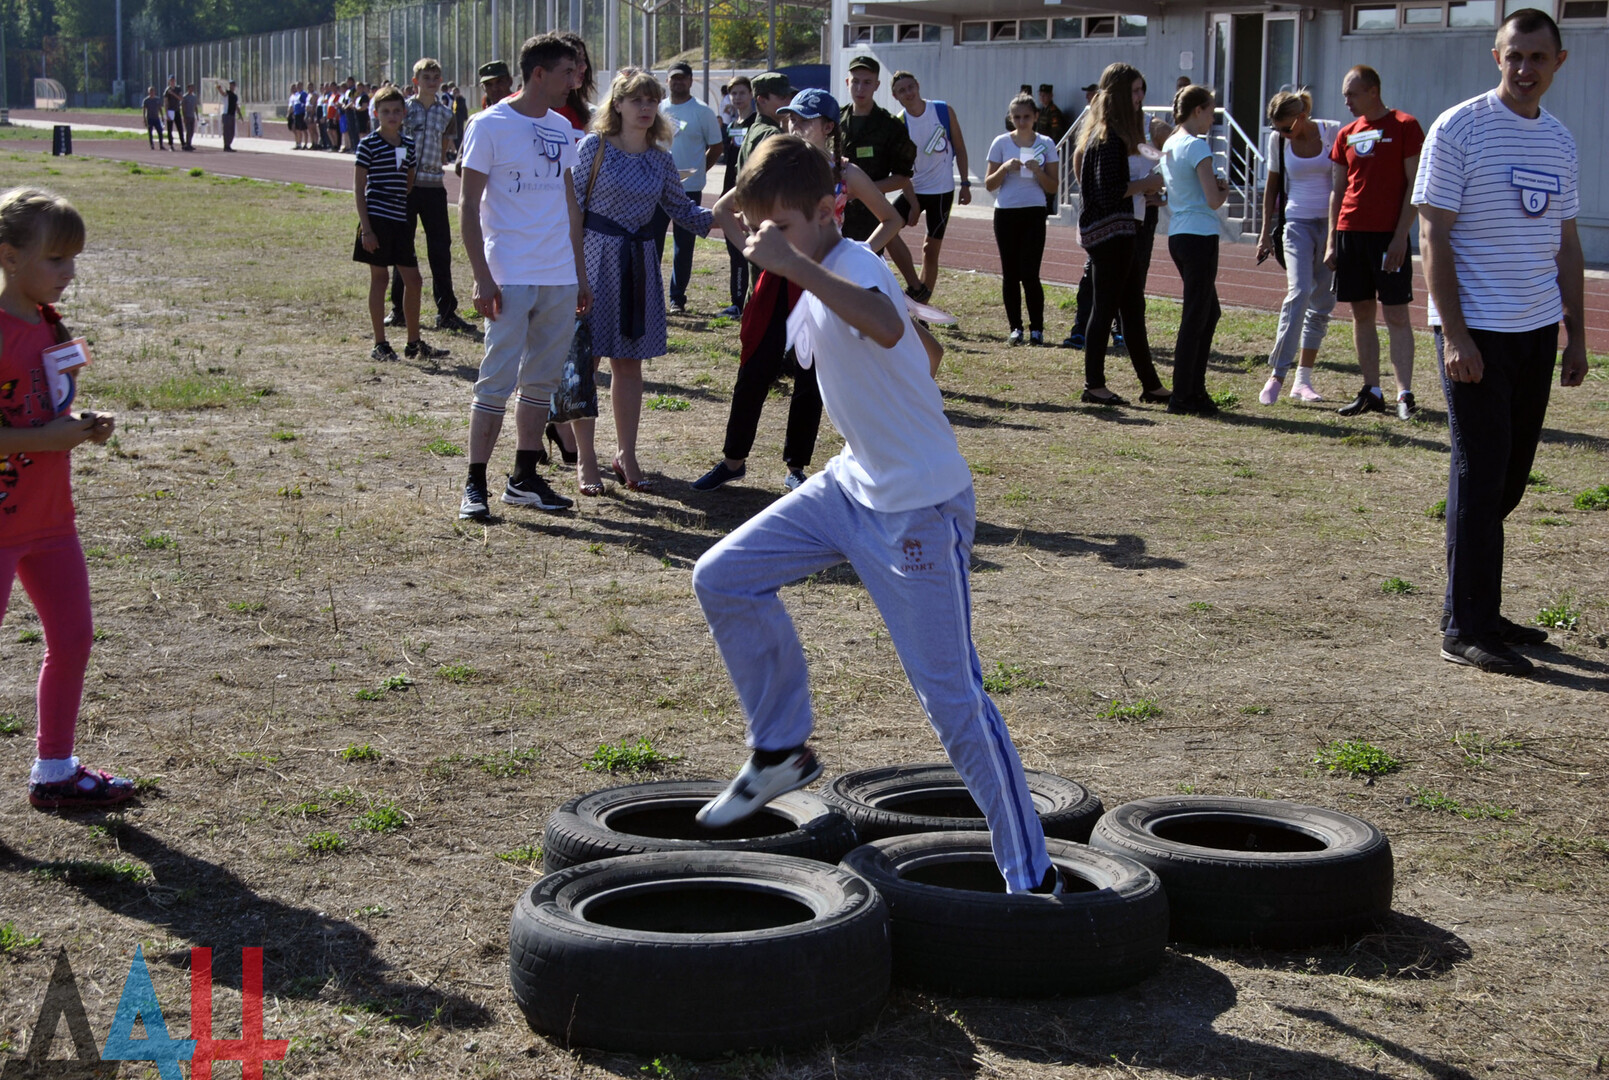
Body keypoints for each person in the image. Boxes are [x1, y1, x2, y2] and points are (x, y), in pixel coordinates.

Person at [690, 136, 1059, 898]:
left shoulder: (851, 268)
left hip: (917, 508)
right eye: (766, 232)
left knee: (952, 701)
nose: (767, 245)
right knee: (722, 577)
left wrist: (806, 262)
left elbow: (886, 327)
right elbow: (922, 354)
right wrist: (771, 198)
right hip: (848, 488)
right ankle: (782, 750)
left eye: (783, 229)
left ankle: (1033, 879)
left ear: (827, 213)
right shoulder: (806, 251)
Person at [1415, 8, 1585, 676]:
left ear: (1556, 64)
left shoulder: (1560, 142)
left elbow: (1566, 244)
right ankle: (1464, 628)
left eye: (1536, 58)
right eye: (1512, 56)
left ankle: (1480, 606)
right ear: (1495, 57)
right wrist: (1454, 335)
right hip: (1475, 331)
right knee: (1478, 473)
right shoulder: (1459, 127)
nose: (1523, 70)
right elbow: (1432, 234)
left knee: (1506, 479)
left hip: (1535, 330)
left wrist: (1576, 334)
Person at [691, 87, 905, 496]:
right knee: (755, 366)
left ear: (828, 126)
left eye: (804, 119)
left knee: (811, 376)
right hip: (776, 283)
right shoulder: (777, 165)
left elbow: (891, 219)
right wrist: (756, 253)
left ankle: (796, 466)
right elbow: (722, 210)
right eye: (789, 118)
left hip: (821, 280)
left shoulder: (844, 173)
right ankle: (733, 460)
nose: (793, 125)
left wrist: (857, 254)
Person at [0, 187, 126, 810]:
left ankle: (54, 770)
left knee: (73, 638)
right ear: (9, 258)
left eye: (73, 259)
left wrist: (81, 424)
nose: (68, 273)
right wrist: (46, 436)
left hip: (50, 520)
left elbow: (48, 407)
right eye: (56, 260)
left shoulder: (51, 325)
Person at [457, 33, 592, 522]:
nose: (574, 82)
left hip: (558, 276)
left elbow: (570, 206)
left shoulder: (562, 126)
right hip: (509, 275)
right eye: (567, 73)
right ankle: (475, 484)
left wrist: (579, 274)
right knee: (494, 382)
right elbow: (469, 205)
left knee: (541, 384)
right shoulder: (488, 125)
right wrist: (482, 276)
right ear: (539, 74)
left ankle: (523, 478)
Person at [570, 68, 713, 496]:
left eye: (652, 100)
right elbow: (572, 211)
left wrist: (733, 210)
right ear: (617, 105)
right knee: (586, 362)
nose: (647, 108)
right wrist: (575, 274)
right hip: (594, 261)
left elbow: (685, 213)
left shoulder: (661, 159)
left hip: (639, 263)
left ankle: (626, 453)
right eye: (637, 100)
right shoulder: (593, 148)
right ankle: (586, 458)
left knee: (629, 365)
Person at [1326, 65, 1423, 420]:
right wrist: (1331, 241)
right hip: (1350, 233)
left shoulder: (1405, 126)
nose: (1346, 101)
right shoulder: (1346, 133)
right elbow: (1338, 191)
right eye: (1344, 96)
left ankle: (1404, 395)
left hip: (1388, 236)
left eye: (1351, 94)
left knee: (1396, 314)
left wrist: (1400, 237)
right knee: (1361, 313)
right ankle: (1372, 390)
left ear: (1373, 91)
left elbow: (1415, 185)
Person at [1075, 63, 1169, 406]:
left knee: (1132, 308)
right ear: (1116, 93)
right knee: (1105, 309)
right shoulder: (1108, 136)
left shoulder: (1116, 134)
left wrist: (1148, 191)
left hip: (1123, 231)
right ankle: (1094, 385)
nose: (1140, 98)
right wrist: (1148, 184)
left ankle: (1151, 384)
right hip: (1109, 235)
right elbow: (1107, 192)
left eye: (1141, 90)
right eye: (1133, 91)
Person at [1257, 89, 1340, 404]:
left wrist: (1336, 234)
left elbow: (1342, 181)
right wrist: (1265, 233)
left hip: (1330, 226)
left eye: (1287, 128)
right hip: (1296, 225)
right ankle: (1277, 374)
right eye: (1278, 129)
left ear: (1303, 116)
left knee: (1321, 303)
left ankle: (1302, 381)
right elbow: (1272, 188)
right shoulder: (1278, 141)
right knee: (1300, 291)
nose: (1283, 135)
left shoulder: (1332, 131)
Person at [354, 86, 446, 366]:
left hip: (400, 219)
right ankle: (380, 343)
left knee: (414, 280)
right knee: (380, 279)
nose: (391, 116)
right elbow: (360, 188)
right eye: (385, 111)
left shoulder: (407, 143)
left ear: (404, 113)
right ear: (376, 114)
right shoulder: (368, 144)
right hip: (377, 220)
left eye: (396, 111)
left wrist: (399, 202)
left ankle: (413, 341)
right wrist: (367, 229)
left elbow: (409, 179)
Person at [387, 58, 474, 340]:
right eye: (426, 76)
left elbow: (444, 146)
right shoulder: (405, 110)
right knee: (403, 247)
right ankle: (398, 310)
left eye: (436, 76)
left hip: (434, 186)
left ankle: (446, 311)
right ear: (416, 81)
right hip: (407, 187)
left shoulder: (444, 113)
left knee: (440, 249)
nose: (432, 81)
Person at [1159, 84, 1228, 416]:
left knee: (1207, 312)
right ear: (1197, 110)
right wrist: (1224, 189)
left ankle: (1193, 388)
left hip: (1178, 233)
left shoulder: (1171, 143)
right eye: (1211, 111)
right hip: (1199, 234)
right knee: (1196, 316)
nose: (1212, 119)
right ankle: (1184, 394)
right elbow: (1213, 199)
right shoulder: (1196, 146)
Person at [888, 71, 969, 304]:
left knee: (929, 251)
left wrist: (965, 183)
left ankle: (921, 306)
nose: (908, 93)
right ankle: (915, 285)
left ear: (918, 85)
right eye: (902, 90)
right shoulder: (899, 124)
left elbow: (960, 148)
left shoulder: (943, 111)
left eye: (911, 87)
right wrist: (912, 202)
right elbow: (900, 171)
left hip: (942, 191)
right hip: (914, 188)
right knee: (887, 230)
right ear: (895, 95)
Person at [984, 92, 1058, 345]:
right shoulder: (1001, 143)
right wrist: (1004, 168)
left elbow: (1052, 187)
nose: (1022, 121)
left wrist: (1038, 171)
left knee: (1030, 273)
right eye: (1017, 117)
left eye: (1026, 116)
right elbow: (988, 184)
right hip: (1006, 212)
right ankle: (1015, 327)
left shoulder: (1046, 143)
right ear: (1010, 118)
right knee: (1010, 272)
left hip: (1033, 211)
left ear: (1036, 117)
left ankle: (1037, 328)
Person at [654, 61, 724, 315]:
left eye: (682, 78)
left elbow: (716, 146)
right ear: (667, 81)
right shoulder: (657, 109)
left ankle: (677, 298)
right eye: (674, 78)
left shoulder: (702, 112)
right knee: (653, 244)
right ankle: (651, 295)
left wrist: (699, 170)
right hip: (656, 188)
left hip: (689, 187)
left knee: (684, 246)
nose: (678, 82)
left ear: (691, 81)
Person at [838, 57, 917, 252]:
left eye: (867, 82)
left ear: (877, 85)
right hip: (834, 217)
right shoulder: (834, 121)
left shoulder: (890, 126)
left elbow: (902, 177)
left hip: (871, 218)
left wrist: (863, 190)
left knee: (865, 274)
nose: (860, 88)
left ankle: (915, 284)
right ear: (848, 83)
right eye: (855, 81)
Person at [716, 75, 756, 318]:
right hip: (728, 190)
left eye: (742, 93)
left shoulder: (755, 124)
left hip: (746, 194)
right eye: (734, 94)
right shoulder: (733, 124)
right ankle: (736, 300)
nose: (738, 98)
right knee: (733, 249)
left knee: (745, 249)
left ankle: (744, 302)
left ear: (751, 94)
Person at [555, 33, 595, 140]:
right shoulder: (535, 109)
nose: (584, 66)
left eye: (584, 59)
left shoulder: (581, 113)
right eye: (576, 59)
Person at [217, 80, 241, 152]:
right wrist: (219, 88)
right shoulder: (227, 93)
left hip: (232, 115)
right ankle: (226, 145)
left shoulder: (235, 96)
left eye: (233, 85)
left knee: (232, 131)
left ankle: (229, 144)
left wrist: (240, 114)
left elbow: (236, 105)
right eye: (231, 85)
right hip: (226, 114)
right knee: (226, 131)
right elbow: (222, 93)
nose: (232, 86)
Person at [162, 78, 182, 151]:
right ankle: (171, 144)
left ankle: (183, 143)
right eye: (171, 80)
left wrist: (173, 94)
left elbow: (180, 98)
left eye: (173, 80)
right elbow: (165, 102)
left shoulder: (178, 89)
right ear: (169, 81)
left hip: (177, 110)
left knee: (180, 127)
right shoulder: (167, 91)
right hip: (170, 111)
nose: (172, 82)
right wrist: (166, 113)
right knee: (170, 129)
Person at [180, 84, 198, 151]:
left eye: (192, 88)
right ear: (188, 88)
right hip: (187, 116)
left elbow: (195, 106)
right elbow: (183, 107)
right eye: (191, 88)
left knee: (192, 131)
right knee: (188, 131)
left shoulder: (194, 97)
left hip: (192, 116)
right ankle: (187, 144)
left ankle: (189, 143)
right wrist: (184, 116)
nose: (192, 89)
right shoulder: (185, 97)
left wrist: (197, 115)